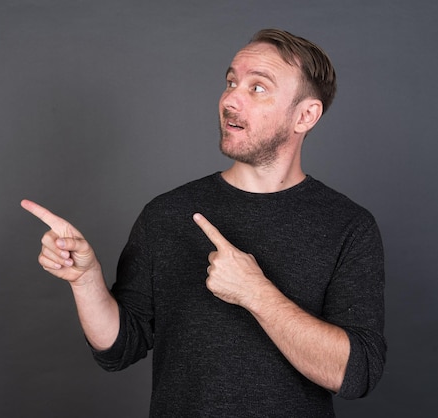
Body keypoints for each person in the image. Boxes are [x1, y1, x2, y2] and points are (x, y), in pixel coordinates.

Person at [21, 28, 386, 417]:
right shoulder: (167, 214)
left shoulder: (348, 226)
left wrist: (256, 293)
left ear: (305, 116)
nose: (230, 99)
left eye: (258, 88)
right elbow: (119, 348)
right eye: (231, 82)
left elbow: (357, 372)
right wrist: (86, 279)